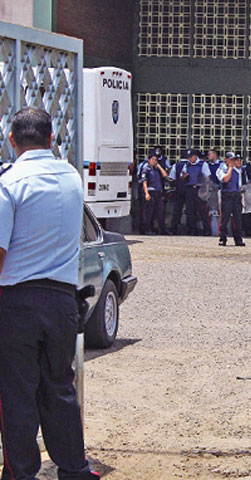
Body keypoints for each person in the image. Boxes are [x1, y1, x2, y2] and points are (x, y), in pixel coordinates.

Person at [0, 107, 100, 480]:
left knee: (17, 394)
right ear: (51, 138)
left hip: (18, 303)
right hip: (61, 301)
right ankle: (75, 470)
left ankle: (20, 474)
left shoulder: (10, 182)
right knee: (59, 389)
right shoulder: (71, 177)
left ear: (12, 140)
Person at [217, 151, 247, 246]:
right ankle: (223, 238)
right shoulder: (222, 169)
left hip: (236, 195)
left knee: (237, 219)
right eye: (232, 159)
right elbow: (225, 179)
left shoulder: (239, 170)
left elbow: (240, 185)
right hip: (227, 195)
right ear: (226, 160)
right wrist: (230, 168)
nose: (234, 162)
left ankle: (238, 239)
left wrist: (242, 199)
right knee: (225, 218)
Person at [181, 149, 212, 236]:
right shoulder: (187, 165)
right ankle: (192, 230)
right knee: (190, 210)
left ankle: (207, 229)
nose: (189, 159)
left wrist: (206, 191)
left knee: (202, 211)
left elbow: (207, 178)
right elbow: (182, 177)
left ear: (195, 156)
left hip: (199, 189)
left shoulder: (203, 164)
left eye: (191, 157)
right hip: (189, 189)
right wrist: (184, 176)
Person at [140, 151, 170, 234]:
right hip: (150, 192)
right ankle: (147, 230)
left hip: (158, 192)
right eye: (153, 159)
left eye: (156, 160)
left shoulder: (157, 170)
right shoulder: (146, 169)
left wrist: (159, 167)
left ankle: (163, 229)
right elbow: (144, 182)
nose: (154, 161)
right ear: (149, 160)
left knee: (160, 211)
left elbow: (165, 175)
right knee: (149, 212)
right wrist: (146, 193)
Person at [169, 151, 190, 234]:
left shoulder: (176, 165)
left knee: (177, 209)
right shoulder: (191, 165)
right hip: (189, 189)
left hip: (179, 189)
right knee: (190, 209)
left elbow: (171, 178)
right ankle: (190, 229)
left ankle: (174, 228)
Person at [205, 149, 223, 233]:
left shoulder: (222, 165)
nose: (209, 156)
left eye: (210, 154)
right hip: (211, 191)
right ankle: (214, 232)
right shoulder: (206, 165)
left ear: (215, 154)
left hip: (221, 190)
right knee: (213, 212)